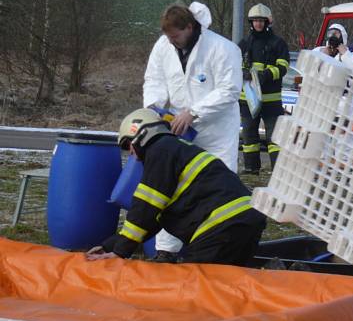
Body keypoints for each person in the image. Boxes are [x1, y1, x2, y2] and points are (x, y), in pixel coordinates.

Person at [86, 109, 266, 266]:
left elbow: (145, 207)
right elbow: (152, 219)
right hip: (245, 220)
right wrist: (110, 245)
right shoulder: (177, 150)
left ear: (140, 134)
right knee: (227, 290)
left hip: (222, 226)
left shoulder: (159, 150)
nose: (132, 154)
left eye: (128, 145)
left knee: (197, 290)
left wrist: (119, 253)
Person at [143, 2, 243, 263]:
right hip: (179, 129)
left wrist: (194, 112)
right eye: (168, 36)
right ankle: (166, 250)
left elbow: (229, 90)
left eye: (175, 36)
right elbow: (154, 80)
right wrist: (154, 109)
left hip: (217, 132)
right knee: (173, 187)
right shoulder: (163, 46)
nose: (172, 41)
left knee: (219, 190)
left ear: (189, 27)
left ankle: (216, 250)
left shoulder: (222, 48)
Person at [239, 3, 290, 174]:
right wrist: (244, 73)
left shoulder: (278, 43)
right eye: (255, 21)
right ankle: (251, 169)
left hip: (271, 100)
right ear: (251, 22)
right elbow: (234, 66)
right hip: (248, 99)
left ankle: (278, 172)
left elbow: (283, 67)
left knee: (274, 138)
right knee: (249, 138)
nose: (258, 24)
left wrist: (266, 75)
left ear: (267, 22)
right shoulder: (244, 44)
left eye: (261, 21)